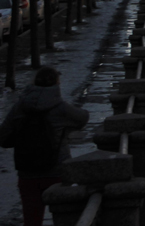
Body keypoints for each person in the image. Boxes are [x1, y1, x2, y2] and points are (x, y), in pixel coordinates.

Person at [0, 67, 89, 226]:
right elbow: (83, 118)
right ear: (56, 84)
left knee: (31, 220)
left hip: (27, 172)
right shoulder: (60, 107)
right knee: (65, 217)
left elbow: (3, 135)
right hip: (57, 171)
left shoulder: (20, 106)